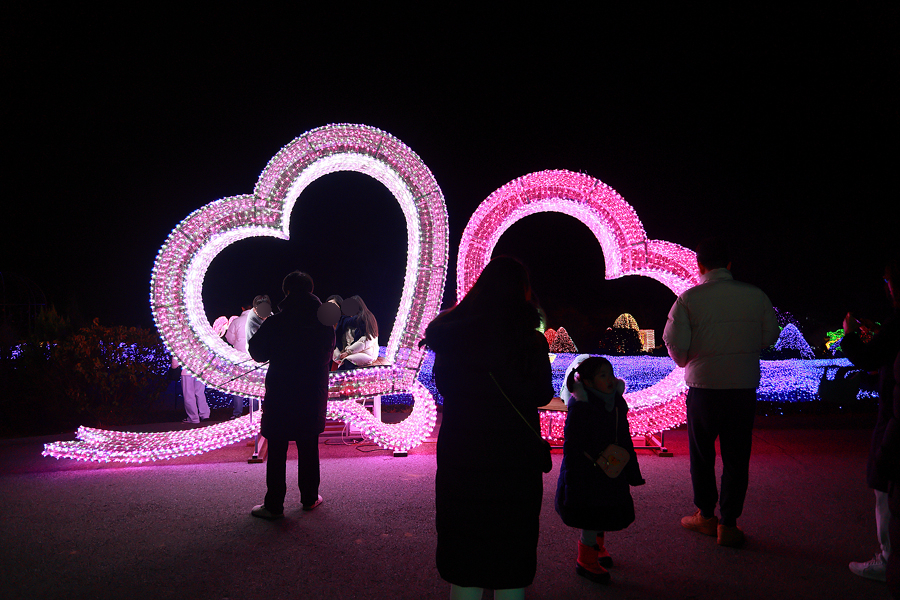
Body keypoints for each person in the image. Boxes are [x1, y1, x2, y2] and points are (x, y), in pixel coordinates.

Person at [423, 256, 554, 600]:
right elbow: (541, 394)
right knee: (511, 539)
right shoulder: (530, 341)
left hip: (462, 446)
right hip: (513, 452)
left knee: (464, 534)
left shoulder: (452, 336)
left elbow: (445, 387)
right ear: (523, 292)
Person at [663, 237, 779, 547]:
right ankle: (728, 524)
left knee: (702, 455)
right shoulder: (756, 296)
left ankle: (705, 515)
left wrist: (691, 358)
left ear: (699, 265)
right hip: (742, 388)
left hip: (704, 389)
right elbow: (769, 337)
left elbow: (677, 347)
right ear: (730, 264)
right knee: (737, 457)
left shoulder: (688, 299)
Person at [247, 271, 335, 519]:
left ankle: (274, 504)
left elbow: (258, 352)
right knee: (309, 447)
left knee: (277, 448)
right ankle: (309, 498)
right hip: (311, 393)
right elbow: (326, 357)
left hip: (281, 392)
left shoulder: (276, 322)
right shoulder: (324, 324)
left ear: (286, 292)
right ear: (311, 290)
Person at [555, 356, 645, 584]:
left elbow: (624, 437)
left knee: (605, 510)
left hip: (611, 468)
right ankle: (586, 560)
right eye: (603, 375)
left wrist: (632, 471)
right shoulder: (582, 406)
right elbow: (572, 444)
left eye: (611, 374)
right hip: (587, 472)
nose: (610, 380)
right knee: (590, 515)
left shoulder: (616, 402)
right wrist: (573, 476)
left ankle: (598, 548)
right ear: (588, 381)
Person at [843, 256, 900, 587]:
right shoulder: (894, 325)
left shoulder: (898, 322)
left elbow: (867, 359)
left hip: (895, 415)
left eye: (888, 281)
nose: (886, 287)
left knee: (884, 483)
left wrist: (850, 336)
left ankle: (887, 558)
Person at [225, 295, 272, 418]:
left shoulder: (236, 322)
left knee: (238, 385)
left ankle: (237, 413)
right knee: (256, 384)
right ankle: (257, 411)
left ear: (242, 308)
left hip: (239, 357)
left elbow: (229, 339)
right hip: (255, 358)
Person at [333, 295, 379, 369]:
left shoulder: (365, 319)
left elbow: (365, 341)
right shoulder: (349, 322)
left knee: (347, 362)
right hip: (355, 352)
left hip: (367, 352)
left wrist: (348, 352)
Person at [172, 356, 210, 424]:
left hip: (187, 372)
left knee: (189, 395)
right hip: (200, 372)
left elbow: (174, 365)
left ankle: (194, 418)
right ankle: (205, 415)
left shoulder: (183, 345)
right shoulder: (202, 345)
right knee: (200, 393)